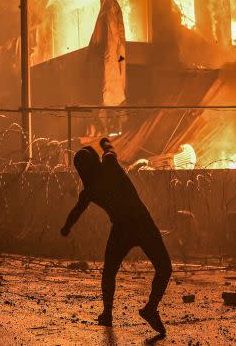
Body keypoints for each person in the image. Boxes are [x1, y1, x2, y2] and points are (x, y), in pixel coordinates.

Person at [61, 138, 172, 335]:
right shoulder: (109, 165)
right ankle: (150, 308)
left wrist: (66, 228)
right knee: (164, 267)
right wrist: (104, 143)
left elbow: (75, 212)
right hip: (142, 222)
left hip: (121, 229)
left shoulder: (89, 191)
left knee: (109, 271)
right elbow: (110, 150)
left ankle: (107, 314)